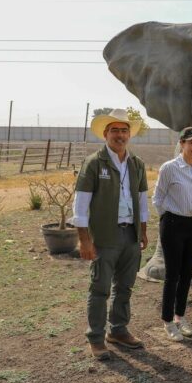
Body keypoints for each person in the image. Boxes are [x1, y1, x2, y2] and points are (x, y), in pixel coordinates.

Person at [73, 108, 149, 360]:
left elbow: (142, 199)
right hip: (105, 236)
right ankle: (96, 337)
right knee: (100, 289)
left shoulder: (136, 164)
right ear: (105, 134)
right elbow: (81, 204)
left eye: (124, 130)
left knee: (125, 287)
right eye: (114, 130)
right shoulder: (95, 163)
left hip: (130, 235)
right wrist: (84, 239)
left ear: (130, 135)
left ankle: (118, 330)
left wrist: (143, 231)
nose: (120, 134)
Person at [153, 127, 192, 342]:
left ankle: (180, 316)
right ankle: (167, 321)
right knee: (173, 275)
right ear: (182, 144)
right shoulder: (170, 168)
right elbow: (157, 198)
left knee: (187, 275)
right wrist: (168, 220)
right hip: (174, 225)